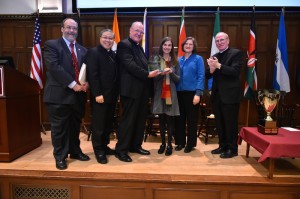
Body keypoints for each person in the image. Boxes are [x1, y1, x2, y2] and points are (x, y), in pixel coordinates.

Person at [43, 18, 89, 170]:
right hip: (59, 96)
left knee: (75, 127)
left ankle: (75, 152)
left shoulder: (82, 49)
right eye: (68, 27)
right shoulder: (52, 45)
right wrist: (73, 84)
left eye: (74, 28)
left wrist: (86, 82)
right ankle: (60, 157)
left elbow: (85, 70)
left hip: (78, 97)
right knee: (59, 129)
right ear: (62, 29)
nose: (71, 31)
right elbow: (54, 67)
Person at [115, 21, 160, 162]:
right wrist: (148, 74)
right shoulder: (124, 45)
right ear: (130, 30)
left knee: (140, 121)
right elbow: (130, 65)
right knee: (128, 121)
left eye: (141, 32)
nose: (139, 34)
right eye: (137, 30)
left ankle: (135, 145)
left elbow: (144, 66)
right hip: (130, 91)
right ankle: (121, 150)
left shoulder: (139, 48)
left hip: (142, 91)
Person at [206, 32, 243, 158]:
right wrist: (211, 69)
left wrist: (218, 66)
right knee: (220, 123)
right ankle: (222, 146)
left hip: (230, 96)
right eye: (217, 41)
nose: (219, 42)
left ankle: (232, 149)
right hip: (217, 96)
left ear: (228, 40)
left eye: (222, 40)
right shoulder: (215, 55)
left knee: (230, 124)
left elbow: (234, 72)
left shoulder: (236, 53)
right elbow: (208, 75)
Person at [85, 29, 118, 164]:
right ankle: (98, 151)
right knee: (99, 125)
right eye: (105, 37)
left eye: (111, 38)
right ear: (100, 38)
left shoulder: (112, 54)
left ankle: (104, 146)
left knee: (108, 124)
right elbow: (93, 75)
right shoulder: (93, 52)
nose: (108, 40)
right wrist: (97, 93)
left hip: (111, 96)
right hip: (100, 96)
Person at [175, 37, 205, 153]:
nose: (188, 45)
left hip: (192, 94)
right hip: (179, 93)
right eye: (186, 44)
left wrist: (198, 93)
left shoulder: (198, 59)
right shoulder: (179, 60)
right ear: (183, 46)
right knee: (180, 119)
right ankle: (180, 142)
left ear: (194, 46)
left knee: (191, 120)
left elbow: (201, 76)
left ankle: (190, 144)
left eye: (190, 44)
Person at [152, 37, 180, 156]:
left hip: (171, 94)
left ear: (171, 47)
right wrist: (162, 73)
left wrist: (171, 73)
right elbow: (153, 78)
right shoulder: (156, 59)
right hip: (159, 93)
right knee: (161, 120)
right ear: (161, 46)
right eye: (165, 45)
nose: (167, 47)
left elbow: (178, 80)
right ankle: (162, 143)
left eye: (169, 45)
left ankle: (169, 145)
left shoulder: (175, 61)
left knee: (170, 120)